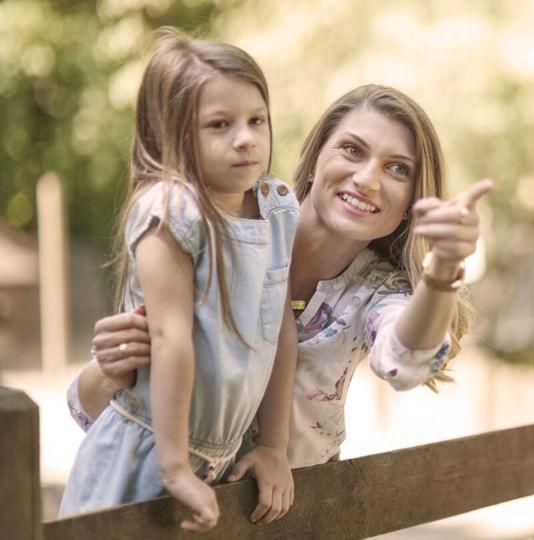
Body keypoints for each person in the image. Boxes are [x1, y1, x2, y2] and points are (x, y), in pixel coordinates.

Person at [69, 84, 492, 478]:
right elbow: (86, 410)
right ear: (316, 158)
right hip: (168, 501)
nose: (367, 179)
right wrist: (109, 371)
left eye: (397, 169)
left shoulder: (377, 292)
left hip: (290, 517)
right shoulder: (224, 229)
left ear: (411, 204)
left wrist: (442, 272)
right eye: (351, 150)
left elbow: (405, 364)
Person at [59, 29, 298, 532]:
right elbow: (170, 337)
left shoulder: (277, 209)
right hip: (144, 455)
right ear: (172, 135)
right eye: (219, 124)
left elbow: (280, 331)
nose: (245, 138)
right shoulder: (173, 211)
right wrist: (174, 469)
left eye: (257, 120)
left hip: (220, 463)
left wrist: (274, 446)